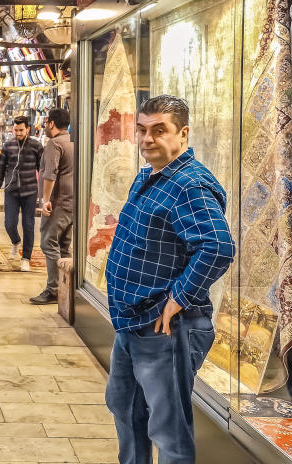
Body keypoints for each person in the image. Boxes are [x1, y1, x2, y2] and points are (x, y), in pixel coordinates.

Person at [104, 95, 235, 464]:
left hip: (166, 328)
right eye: (142, 130)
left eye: (159, 131)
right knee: (125, 409)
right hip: (134, 320)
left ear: (183, 134)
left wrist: (178, 298)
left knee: (168, 431)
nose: (147, 139)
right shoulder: (150, 174)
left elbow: (218, 247)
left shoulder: (189, 185)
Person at [30, 108, 75, 305]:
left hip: (57, 203)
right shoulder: (74, 142)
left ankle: (54, 288)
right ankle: (67, 288)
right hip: (73, 202)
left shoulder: (54, 144)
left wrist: (45, 200)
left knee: (49, 244)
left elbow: (50, 173)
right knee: (64, 247)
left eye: (46, 122)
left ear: (51, 123)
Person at [0, 116, 43, 271]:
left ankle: (26, 258)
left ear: (27, 129)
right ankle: (15, 242)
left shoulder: (36, 146)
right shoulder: (8, 146)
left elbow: (43, 170)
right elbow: (0, 169)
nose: (18, 133)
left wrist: (44, 193)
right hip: (11, 191)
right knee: (9, 223)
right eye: (15, 129)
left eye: (21, 130)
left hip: (30, 191)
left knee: (28, 225)